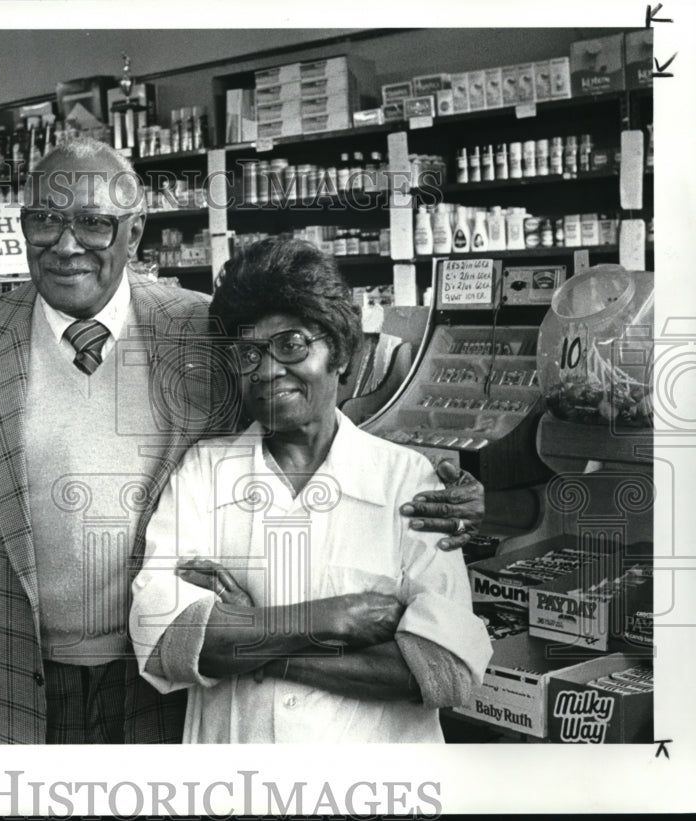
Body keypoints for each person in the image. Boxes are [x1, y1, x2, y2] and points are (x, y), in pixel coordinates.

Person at [0, 138, 485, 745]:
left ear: (134, 231)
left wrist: (448, 485)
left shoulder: (198, 324)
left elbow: (329, 394)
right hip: (9, 683)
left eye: (94, 223)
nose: (66, 244)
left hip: (166, 699)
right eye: (44, 219)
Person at [130, 237, 492, 743]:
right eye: (248, 353)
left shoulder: (409, 482)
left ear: (340, 352)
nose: (268, 369)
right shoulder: (203, 473)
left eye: (292, 344)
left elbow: (442, 670)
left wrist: (252, 633)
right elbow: (168, 641)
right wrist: (330, 618)